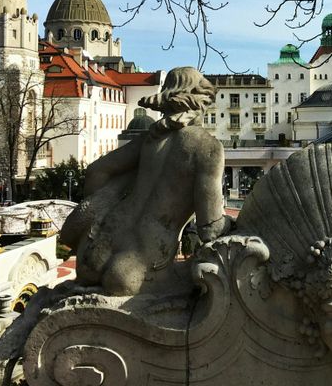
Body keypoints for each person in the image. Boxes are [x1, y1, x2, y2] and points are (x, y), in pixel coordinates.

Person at [60, 67, 229, 295]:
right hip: (140, 264)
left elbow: (96, 172)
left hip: (94, 251)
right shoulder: (207, 147)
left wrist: (106, 203)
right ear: (201, 100)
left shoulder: (150, 139)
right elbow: (210, 227)